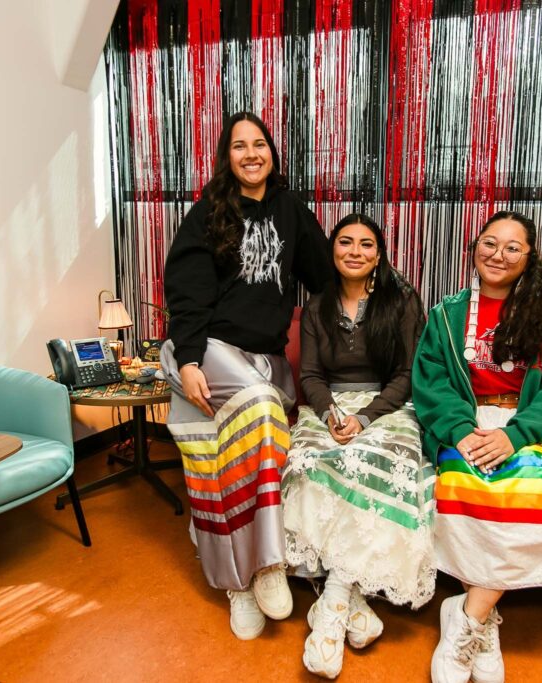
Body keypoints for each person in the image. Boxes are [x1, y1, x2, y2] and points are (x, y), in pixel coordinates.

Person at [412, 210, 542, 683]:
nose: (497, 254)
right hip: (467, 424)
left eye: (512, 247)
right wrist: (459, 430)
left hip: (525, 428)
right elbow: (431, 381)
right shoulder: (446, 315)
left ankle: (468, 616)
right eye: (489, 243)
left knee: (527, 492)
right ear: (474, 248)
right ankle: (485, 621)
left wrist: (514, 435)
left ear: (530, 256)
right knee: (461, 483)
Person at [160, 111, 330, 641]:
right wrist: (190, 360)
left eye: (260, 144)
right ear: (226, 156)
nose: (251, 154)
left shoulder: (290, 210)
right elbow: (187, 291)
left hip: (264, 359)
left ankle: (249, 570)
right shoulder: (209, 211)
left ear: (272, 153)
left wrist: (380, 293)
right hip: (210, 350)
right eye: (239, 146)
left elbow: (326, 275)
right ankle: (258, 570)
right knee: (260, 406)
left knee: (233, 456)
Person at [281, 213, 434, 679]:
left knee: (370, 459)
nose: (355, 251)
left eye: (366, 244)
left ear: (379, 253)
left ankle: (332, 603)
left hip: (388, 406)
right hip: (329, 407)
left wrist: (366, 417)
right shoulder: (316, 306)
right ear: (332, 250)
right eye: (345, 242)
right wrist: (331, 414)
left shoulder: (402, 301)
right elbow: (311, 375)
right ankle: (354, 600)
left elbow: (407, 375)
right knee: (307, 460)